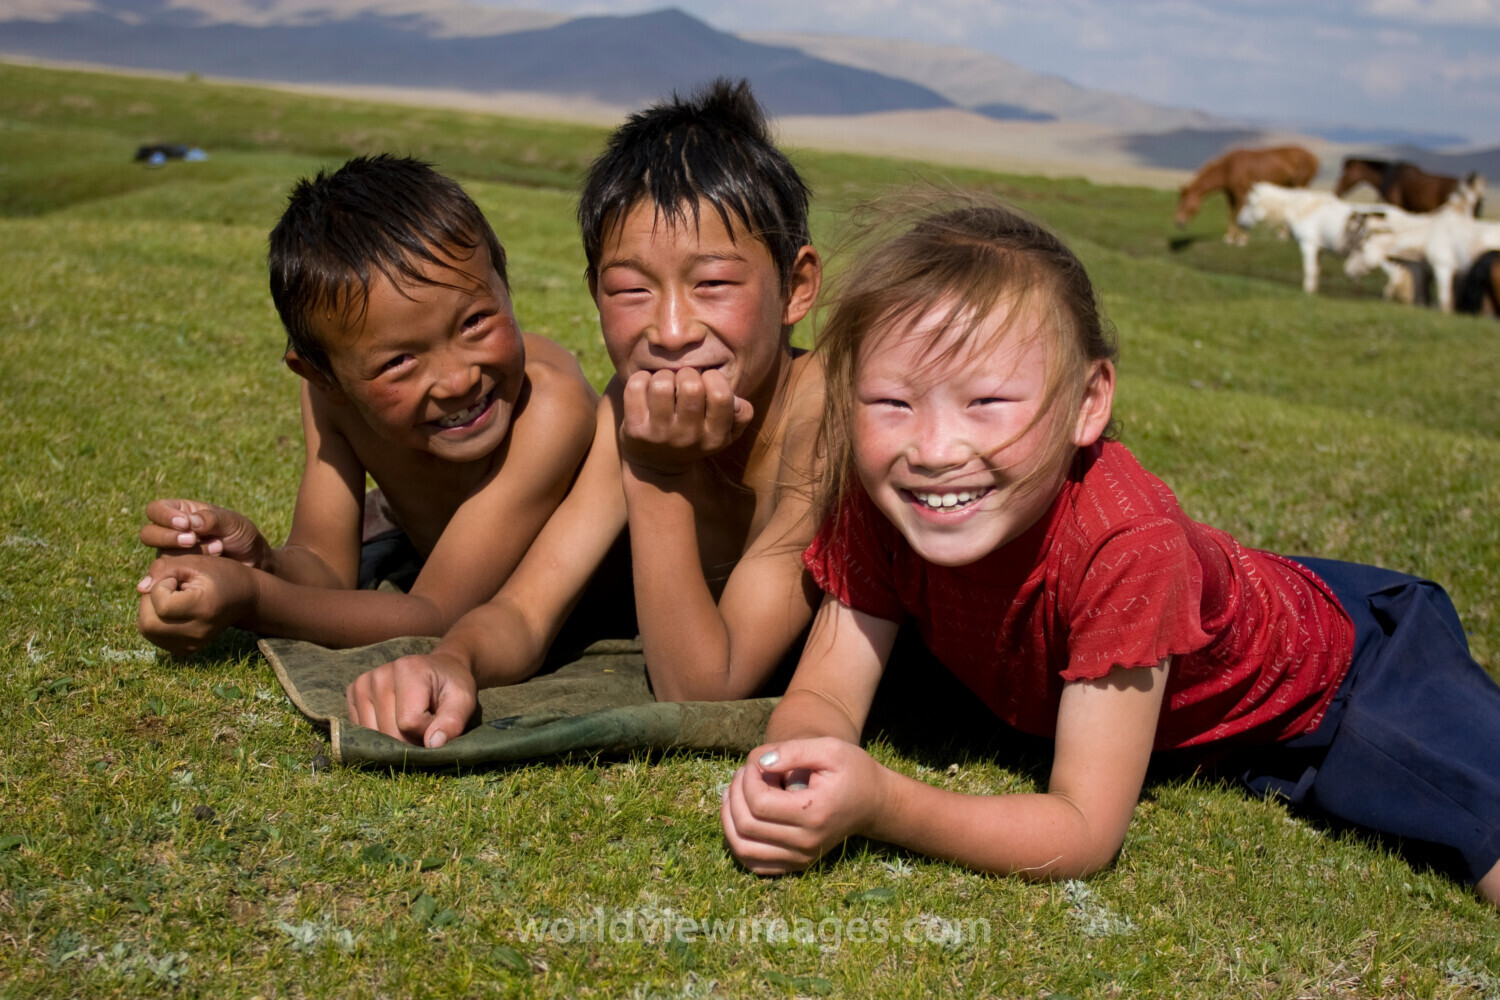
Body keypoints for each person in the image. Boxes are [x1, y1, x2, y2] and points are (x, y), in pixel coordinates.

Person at [720, 198, 1500, 908]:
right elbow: (826, 694)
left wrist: (880, 802)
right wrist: (798, 767)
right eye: (891, 402)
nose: (931, 448)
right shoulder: (880, 498)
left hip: (1351, 677)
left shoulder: (1127, 546)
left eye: (986, 402)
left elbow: (1083, 830)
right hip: (1210, 681)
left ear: (1089, 402)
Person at [344, 79, 826, 746]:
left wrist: (658, 471)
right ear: (595, 294)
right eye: (631, 290)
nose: (673, 328)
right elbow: (525, 609)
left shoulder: (823, 418)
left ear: (796, 288)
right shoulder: (624, 408)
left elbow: (699, 690)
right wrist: (453, 660)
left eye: (713, 284)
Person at [134, 155, 598, 656]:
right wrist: (257, 562)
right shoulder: (333, 401)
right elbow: (327, 568)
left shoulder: (549, 407)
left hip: (600, 612)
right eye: (399, 361)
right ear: (324, 376)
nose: (458, 380)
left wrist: (255, 600)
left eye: (474, 323)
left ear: (505, 284)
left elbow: (438, 615)